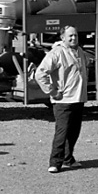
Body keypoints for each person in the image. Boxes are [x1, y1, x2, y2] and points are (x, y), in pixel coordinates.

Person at [34, 25, 90, 173]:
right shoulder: (56, 53)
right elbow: (40, 74)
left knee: (74, 132)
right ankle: (55, 162)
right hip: (63, 100)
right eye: (70, 36)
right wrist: (52, 91)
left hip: (78, 98)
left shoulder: (80, 51)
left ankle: (68, 158)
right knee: (62, 132)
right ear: (62, 37)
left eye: (75, 35)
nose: (73, 38)